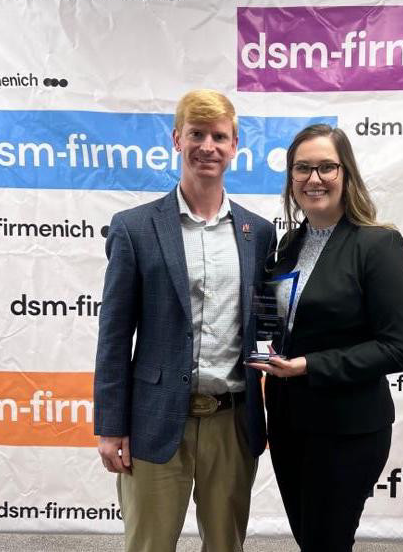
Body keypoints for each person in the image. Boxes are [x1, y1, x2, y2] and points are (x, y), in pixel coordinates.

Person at [94, 89, 276, 552]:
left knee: (225, 546)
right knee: (148, 546)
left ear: (235, 145)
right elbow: (114, 335)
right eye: (197, 134)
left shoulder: (259, 233)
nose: (207, 146)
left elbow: (264, 326)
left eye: (219, 136)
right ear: (177, 139)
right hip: (153, 421)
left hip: (232, 423)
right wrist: (110, 425)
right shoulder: (134, 227)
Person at [248, 124, 403, 552]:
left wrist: (308, 365)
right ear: (291, 177)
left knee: (327, 543)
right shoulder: (288, 245)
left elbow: (397, 348)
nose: (313, 178)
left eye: (326, 167)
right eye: (302, 168)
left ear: (346, 174)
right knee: (311, 540)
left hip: (347, 429)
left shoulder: (378, 245)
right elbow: (280, 324)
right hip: (288, 423)